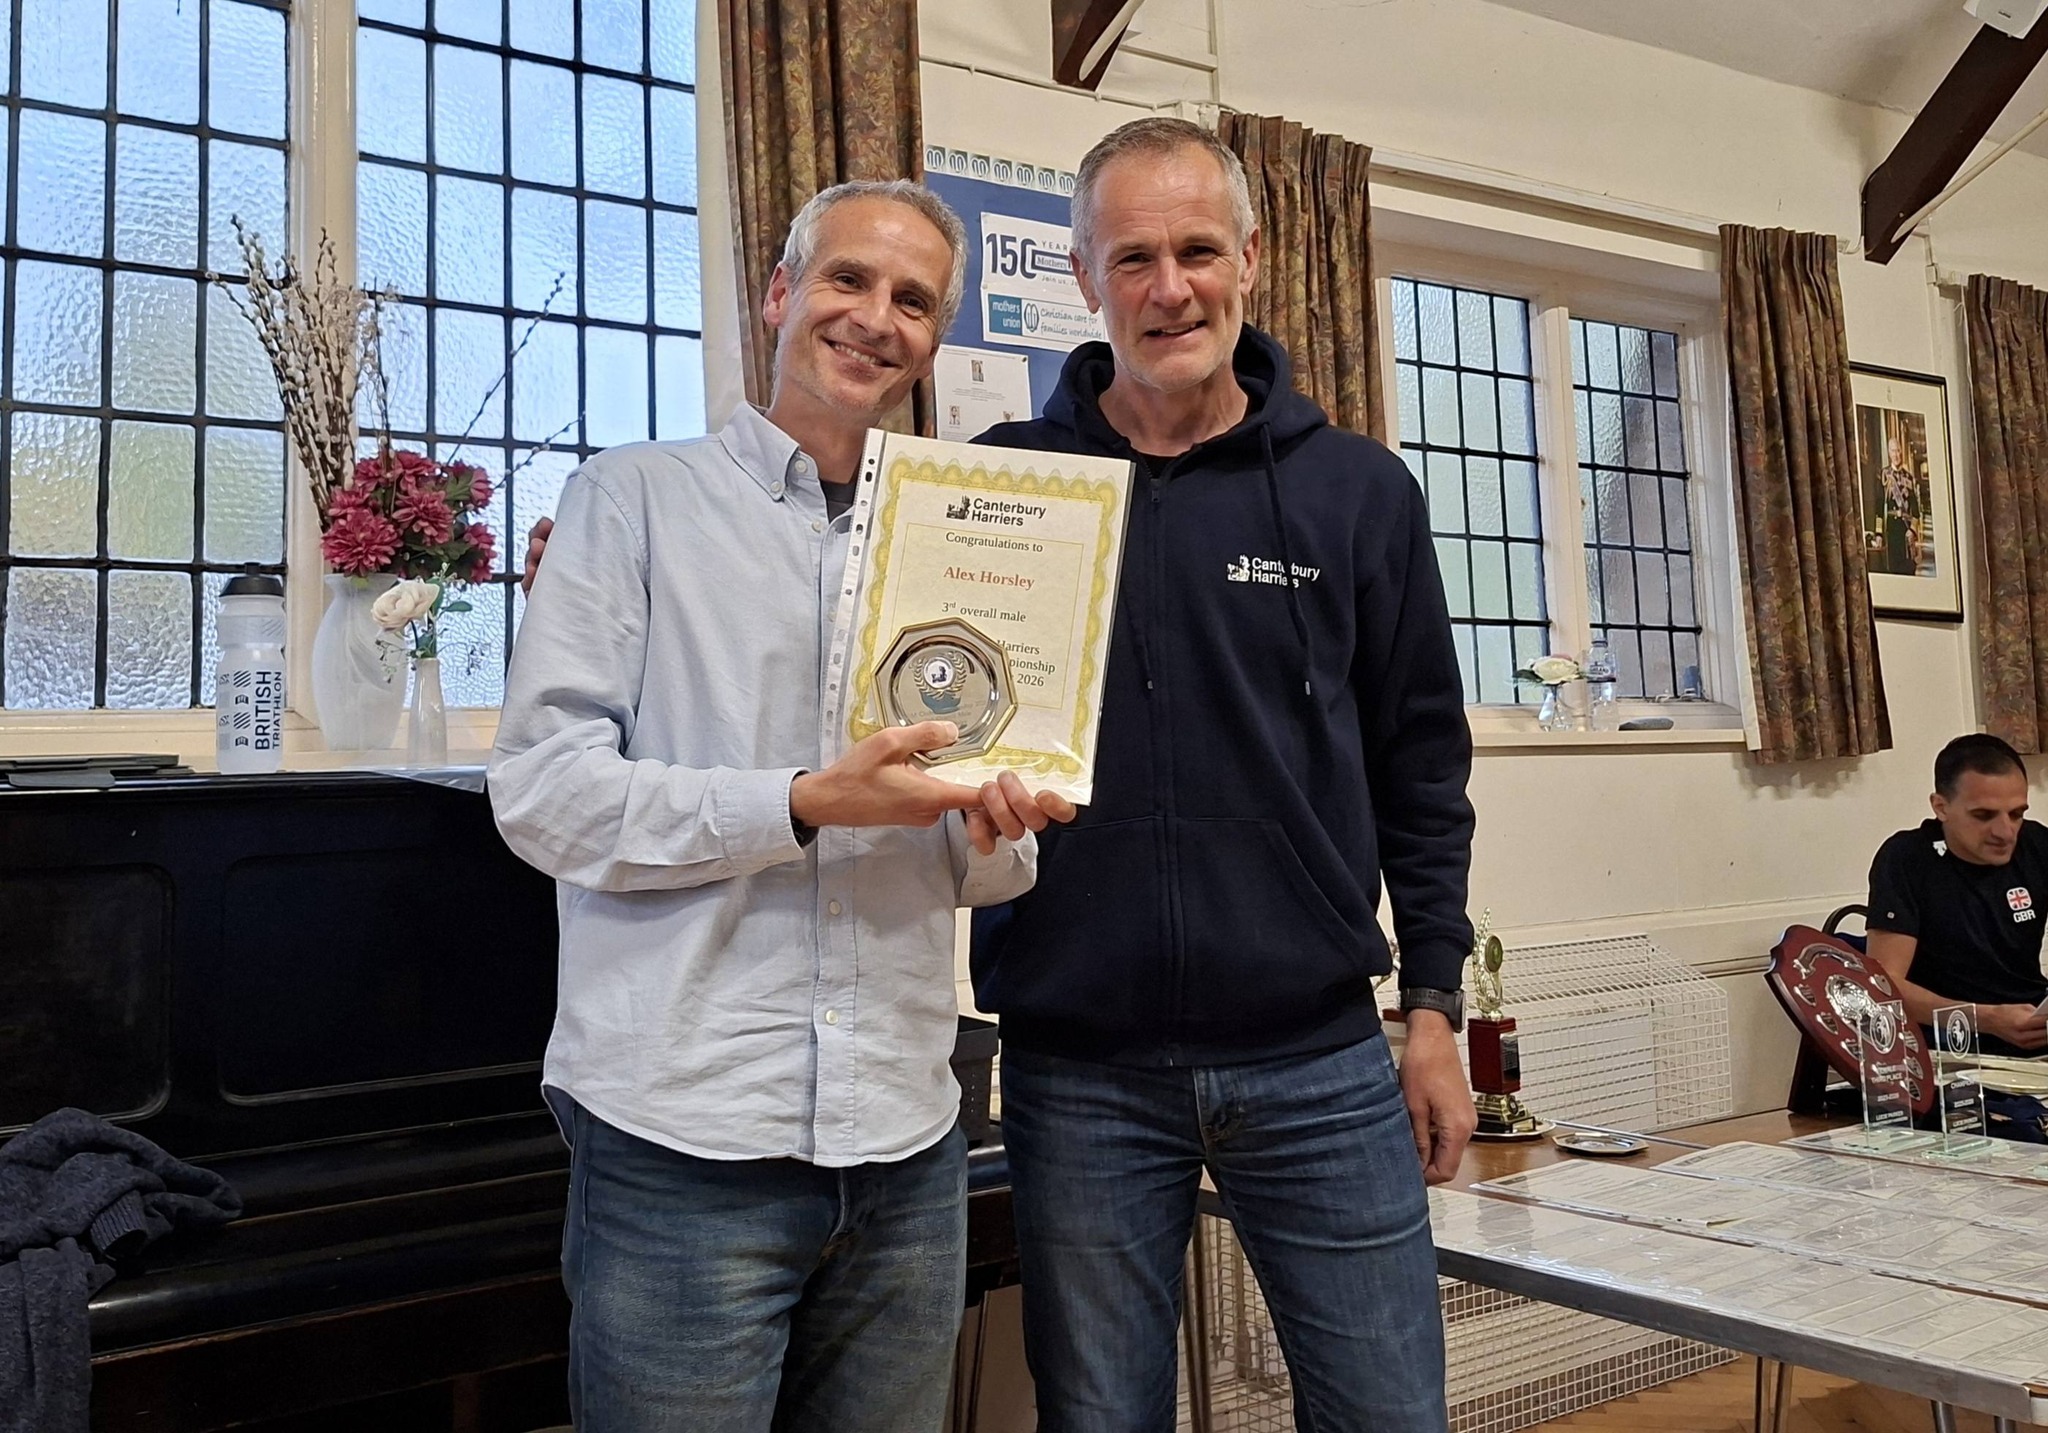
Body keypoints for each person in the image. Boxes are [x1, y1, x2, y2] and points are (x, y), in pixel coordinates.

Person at [489, 179, 1073, 1433]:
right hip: (683, 1145)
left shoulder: (965, 539)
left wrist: (997, 827)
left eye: (912, 300)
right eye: (846, 279)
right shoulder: (631, 498)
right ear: (777, 294)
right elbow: (543, 793)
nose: (874, 317)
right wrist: (800, 803)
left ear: (934, 338)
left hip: (906, 1142)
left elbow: (970, 860)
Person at [969, 117, 1477, 1432]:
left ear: (1252, 257)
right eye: (1131, 258)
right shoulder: (1001, 484)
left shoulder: (1360, 492)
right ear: (1082, 277)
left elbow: (1424, 770)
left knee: (1387, 1415)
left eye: (1197, 250)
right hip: (1078, 1071)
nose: (1169, 288)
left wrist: (1432, 1009)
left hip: (1318, 1059)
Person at [1866, 732, 2048, 1058]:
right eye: (1983, 815)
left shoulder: (2037, 844)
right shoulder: (1907, 858)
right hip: (1950, 1045)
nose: (2005, 832)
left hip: (2032, 1028)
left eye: (2016, 814)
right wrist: (1987, 1019)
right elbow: (1883, 985)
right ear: (1941, 807)